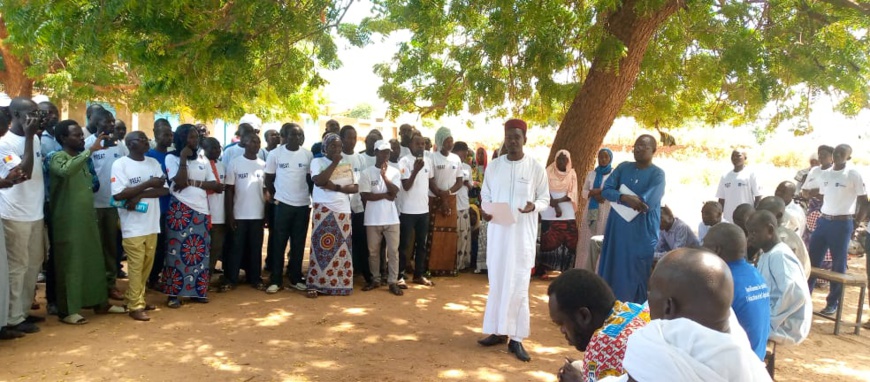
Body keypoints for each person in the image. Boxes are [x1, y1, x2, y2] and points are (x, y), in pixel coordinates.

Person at [609, 249, 771, 382]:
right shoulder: (745, 357)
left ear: (668, 307)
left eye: (651, 292)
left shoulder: (651, 348)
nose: (648, 298)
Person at [477, 118, 549, 362]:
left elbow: (545, 199)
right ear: (504, 139)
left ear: (525, 140)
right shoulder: (494, 166)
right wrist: (485, 208)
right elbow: (485, 192)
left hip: (521, 237)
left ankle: (516, 338)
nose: (512, 141)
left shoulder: (535, 168)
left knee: (518, 284)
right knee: (497, 281)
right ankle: (498, 331)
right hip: (498, 234)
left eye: (517, 137)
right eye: (509, 137)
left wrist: (534, 206)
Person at [49, 120, 127, 324]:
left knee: (94, 261)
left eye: (81, 135)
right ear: (63, 138)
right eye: (76, 135)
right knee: (71, 264)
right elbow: (65, 171)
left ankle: (100, 302)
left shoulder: (83, 159)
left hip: (87, 218)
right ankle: (68, 310)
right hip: (67, 221)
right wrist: (90, 151)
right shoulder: (56, 157)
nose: (81, 138)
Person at [548, 269, 650, 382]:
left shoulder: (604, 341)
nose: (562, 330)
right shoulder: (634, 310)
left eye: (562, 323)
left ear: (584, 316)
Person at [598, 135, 665, 303]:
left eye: (644, 146)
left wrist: (626, 198)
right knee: (613, 267)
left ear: (654, 150)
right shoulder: (623, 168)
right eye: (636, 145)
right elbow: (606, 190)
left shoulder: (657, 174)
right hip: (617, 228)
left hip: (641, 231)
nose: (638, 149)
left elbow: (646, 203)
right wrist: (624, 198)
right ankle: (608, 308)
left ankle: (632, 317)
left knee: (636, 273)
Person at [0, 98, 47, 334]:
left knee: (33, 265)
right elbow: (24, 173)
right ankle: (10, 317)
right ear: (16, 115)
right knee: (16, 268)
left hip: (35, 212)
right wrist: (29, 137)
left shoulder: (36, 138)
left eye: (38, 113)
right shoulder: (5, 143)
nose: (37, 117)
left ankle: (23, 311)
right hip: (14, 214)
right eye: (32, 113)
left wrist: (31, 137)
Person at [111, 131, 168, 321]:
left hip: (152, 223)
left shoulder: (153, 162)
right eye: (140, 140)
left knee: (146, 265)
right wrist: (148, 184)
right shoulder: (121, 165)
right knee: (135, 266)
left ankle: (135, 298)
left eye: (146, 139)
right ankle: (135, 306)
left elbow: (164, 189)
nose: (145, 142)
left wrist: (140, 194)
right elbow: (119, 195)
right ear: (129, 144)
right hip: (132, 225)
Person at [161, 124, 219, 308]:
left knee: (200, 252)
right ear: (181, 139)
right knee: (177, 252)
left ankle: (197, 291)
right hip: (180, 210)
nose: (195, 141)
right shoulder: (172, 157)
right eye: (191, 137)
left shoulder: (203, 157)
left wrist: (191, 182)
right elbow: (178, 181)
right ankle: (174, 294)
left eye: (196, 137)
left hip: (201, 209)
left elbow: (214, 184)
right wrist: (184, 158)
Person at [807, 144, 868, 316]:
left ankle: (832, 303)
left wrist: (856, 223)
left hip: (842, 224)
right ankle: (805, 298)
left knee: (838, 265)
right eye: (836, 152)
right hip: (823, 221)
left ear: (848, 157)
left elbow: (864, 201)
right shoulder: (825, 173)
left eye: (843, 153)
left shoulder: (852, 174)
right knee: (812, 261)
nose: (838, 155)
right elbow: (824, 194)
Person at [702, 223, 770, 360]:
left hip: (737, 364)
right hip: (757, 357)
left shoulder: (721, 282)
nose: (701, 249)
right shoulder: (755, 273)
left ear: (716, 250)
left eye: (705, 245)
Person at [746, 211, 812, 345]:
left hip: (787, 326)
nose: (749, 237)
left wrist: (770, 319)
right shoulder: (767, 253)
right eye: (749, 233)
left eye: (754, 232)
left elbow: (795, 293)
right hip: (774, 316)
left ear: (770, 230)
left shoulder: (779, 255)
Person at [306, 133, 357, 298]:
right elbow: (319, 180)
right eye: (332, 146)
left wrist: (335, 187)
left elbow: (354, 188)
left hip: (343, 210)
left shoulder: (345, 164)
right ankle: (316, 284)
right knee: (321, 246)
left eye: (339, 146)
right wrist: (334, 163)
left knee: (341, 249)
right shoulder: (317, 161)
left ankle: (340, 283)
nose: (336, 149)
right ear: (325, 148)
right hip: (324, 209)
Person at [265, 123, 313, 293]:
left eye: (299, 135)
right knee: (279, 242)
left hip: (302, 205)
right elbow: (268, 179)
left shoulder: (308, 155)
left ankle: (295, 277)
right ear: (285, 136)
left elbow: (310, 180)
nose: (296, 138)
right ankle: (276, 280)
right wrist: (277, 196)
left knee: (299, 243)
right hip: (282, 205)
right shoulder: (275, 154)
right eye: (293, 135)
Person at [84, 109, 126, 301]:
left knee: (112, 247)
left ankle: (110, 284)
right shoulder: (88, 144)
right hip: (94, 204)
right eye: (106, 122)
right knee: (94, 247)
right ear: (95, 122)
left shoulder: (119, 145)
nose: (110, 125)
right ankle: (94, 286)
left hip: (115, 205)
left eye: (112, 122)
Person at [223, 133, 267, 292]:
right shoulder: (235, 163)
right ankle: (230, 279)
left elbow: (265, 191)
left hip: (258, 214)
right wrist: (230, 214)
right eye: (252, 141)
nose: (255, 144)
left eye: (258, 142)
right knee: (236, 248)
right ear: (245, 143)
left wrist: (266, 214)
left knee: (256, 249)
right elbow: (229, 190)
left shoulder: (263, 165)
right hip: (239, 214)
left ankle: (255, 278)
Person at [359, 139, 402, 295]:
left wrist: (384, 177)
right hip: (372, 218)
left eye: (388, 152)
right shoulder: (366, 172)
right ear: (375, 152)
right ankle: (375, 279)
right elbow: (365, 195)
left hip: (391, 218)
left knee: (393, 252)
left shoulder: (395, 172)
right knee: (373, 252)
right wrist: (386, 195)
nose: (386, 155)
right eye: (383, 151)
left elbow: (395, 192)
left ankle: (392, 281)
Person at [0, 107, 27, 339]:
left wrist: (7, 180)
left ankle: (8, 320)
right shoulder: (5, 143)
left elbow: (18, 173)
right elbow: (19, 173)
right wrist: (5, 182)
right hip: (10, 212)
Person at [398, 132, 435, 288]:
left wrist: (443, 195)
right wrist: (415, 170)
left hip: (423, 210)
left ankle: (418, 275)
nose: (421, 146)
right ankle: (400, 276)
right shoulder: (404, 162)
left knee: (422, 244)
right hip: (407, 211)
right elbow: (406, 186)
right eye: (417, 143)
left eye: (423, 144)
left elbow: (431, 181)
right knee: (405, 245)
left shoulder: (428, 160)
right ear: (410, 145)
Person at [427, 126, 463, 276]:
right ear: (440, 141)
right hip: (434, 199)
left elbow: (459, 181)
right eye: (447, 141)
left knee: (450, 235)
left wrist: (447, 194)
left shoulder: (456, 158)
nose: (450, 144)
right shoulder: (432, 158)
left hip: (451, 199)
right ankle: (431, 268)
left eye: (451, 140)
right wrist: (442, 196)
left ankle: (448, 268)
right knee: (433, 234)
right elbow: (430, 180)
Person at [537, 149, 578, 278]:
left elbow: (572, 193)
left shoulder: (572, 173)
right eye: (559, 158)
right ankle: (546, 269)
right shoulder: (547, 171)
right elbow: (542, 189)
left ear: (568, 160)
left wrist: (557, 203)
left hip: (567, 209)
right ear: (555, 159)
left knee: (569, 238)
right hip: (548, 209)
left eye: (564, 159)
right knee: (548, 238)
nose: (561, 161)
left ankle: (566, 269)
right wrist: (553, 203)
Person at [145, 120, 174, 288]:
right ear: (156, 135)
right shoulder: (149, 156)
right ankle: (152, 277)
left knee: (168, 244)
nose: (169, 138)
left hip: (172, 207)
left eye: (171, 135)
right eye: (165, 134)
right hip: (156, 207)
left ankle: (163, 276)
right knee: (156, 245)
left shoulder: (173, 156)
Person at [801, 145, 835, 278]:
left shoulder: (835, 172)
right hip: (812, 210)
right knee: (810, 241)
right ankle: (810, 273)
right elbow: (804, 191)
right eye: (819, 154)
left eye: (824, 155)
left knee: (826, 244)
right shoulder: (814, 171)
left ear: (832, 157)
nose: (820, 157)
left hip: (828, 211)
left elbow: (830, 194)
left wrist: (815, 192)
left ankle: (824, 277)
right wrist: (813, 193)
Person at [755, 196, 811, 278]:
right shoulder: (779, 230)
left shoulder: (781, 238)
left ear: (778, 215)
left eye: (764, 214)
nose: (758, 217)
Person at [577, 148, 614, 271]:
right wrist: (593, 193)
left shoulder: (614, 175)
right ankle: (584, 268)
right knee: (588, 238)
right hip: (591, 209)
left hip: (606, 209)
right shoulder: (591, 174)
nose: (602, 160)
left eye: (605, 157)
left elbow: (615, 191)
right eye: (600, 157)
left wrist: (602, 194)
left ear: (610, 159)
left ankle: (599, 270)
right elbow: (583, 192)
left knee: (601, 238)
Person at [200, 138, 227, 276]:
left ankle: (207, 277)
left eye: (218, 147)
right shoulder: (199, 165)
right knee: (202, 248)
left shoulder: (222, 165)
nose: (216, 150)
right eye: (212, 148)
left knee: (216, 248)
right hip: (203, 214)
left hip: (219, 215)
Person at [716, 149, 762, 223]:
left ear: (745, 158)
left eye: (738, 155)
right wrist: (719, 215)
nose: (735, 158)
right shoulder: (725, 176)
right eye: (733, 156)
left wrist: (753, 215)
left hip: (745, 219)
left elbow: (758, 197)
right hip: (728, 219)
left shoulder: (751, 174)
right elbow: (721, 199)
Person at [452, 141, 473, 271]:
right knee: (453, 236)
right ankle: (452, 263)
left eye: (466, 154)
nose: (464, 156)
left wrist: (466, 184)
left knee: (464, 235)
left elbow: (470, 185)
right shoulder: (451, 165)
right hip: (452, 203)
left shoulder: (467, 168)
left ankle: (462, 264)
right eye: (463, 153)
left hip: (463, 203)